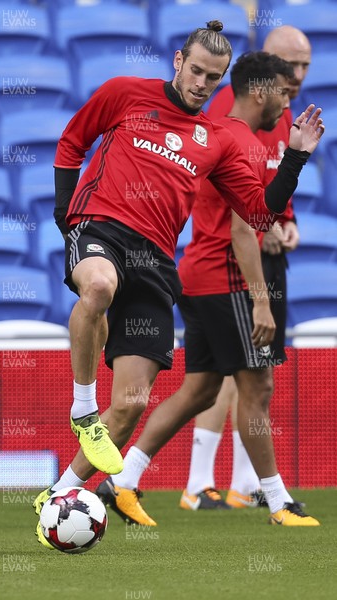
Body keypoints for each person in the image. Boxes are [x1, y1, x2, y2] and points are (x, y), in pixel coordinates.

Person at [32, 21, 323, 547]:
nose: (201, 84)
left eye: (212, 79)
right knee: (96, 287)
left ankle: (58, 497)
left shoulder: (216, 140)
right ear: (177, 61)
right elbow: (73, 140)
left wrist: (297, 155)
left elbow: (257, 213)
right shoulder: (125, 93)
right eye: (195, 71)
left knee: (133, 402)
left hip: (156, 262)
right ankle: (81, 406)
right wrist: (63, 213)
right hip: (101, 228)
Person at [183, 25, 312, 510]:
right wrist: (260, 291)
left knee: (216, 382)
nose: (296, 78)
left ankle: (239, 484)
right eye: (288, 69)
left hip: (247, 263)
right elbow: (242, 216)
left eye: (304, 67)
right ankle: (250, 492)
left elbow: (271, 193)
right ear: (264, 71)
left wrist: (287, 221)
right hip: (229, 270)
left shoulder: (278, 118)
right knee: (249, 379)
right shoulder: (234, 119)